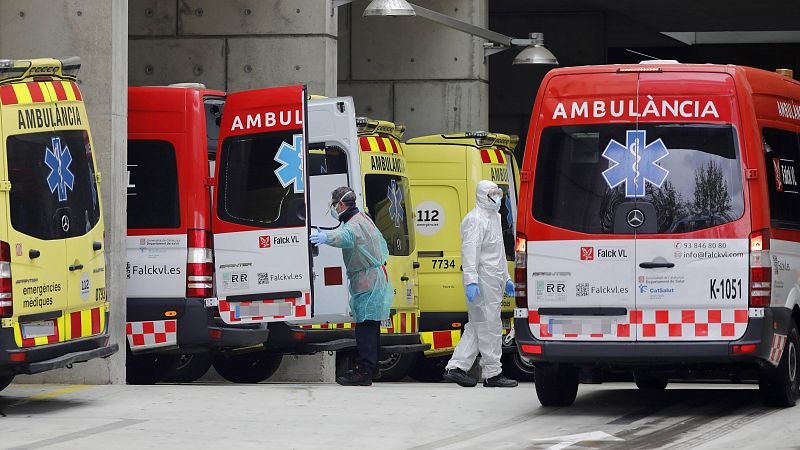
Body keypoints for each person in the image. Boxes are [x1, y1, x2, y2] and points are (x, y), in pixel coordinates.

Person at [309, 186, 393, 386]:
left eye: (334, 204)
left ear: (341, 204)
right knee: (371, 328)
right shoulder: (363, 218)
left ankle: (363, 371)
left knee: (365, 329)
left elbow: (345, 237)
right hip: (374, 277)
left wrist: (325, 238)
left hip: (367, 280)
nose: (334, 208)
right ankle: (372, 368)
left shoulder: (354, 225)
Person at [442, 180, 518, 388]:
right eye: (493, 193)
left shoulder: (494, 217)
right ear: (484, 195)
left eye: (498, 193)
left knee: (477, 326)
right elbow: (470, 252)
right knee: (490, 326)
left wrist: (507, 278)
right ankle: (493, 373)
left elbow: (498, 252)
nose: (498, 197)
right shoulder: (475, 220)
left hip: (493, 280)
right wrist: (471, 282)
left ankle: (456, 367)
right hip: (482, 280)